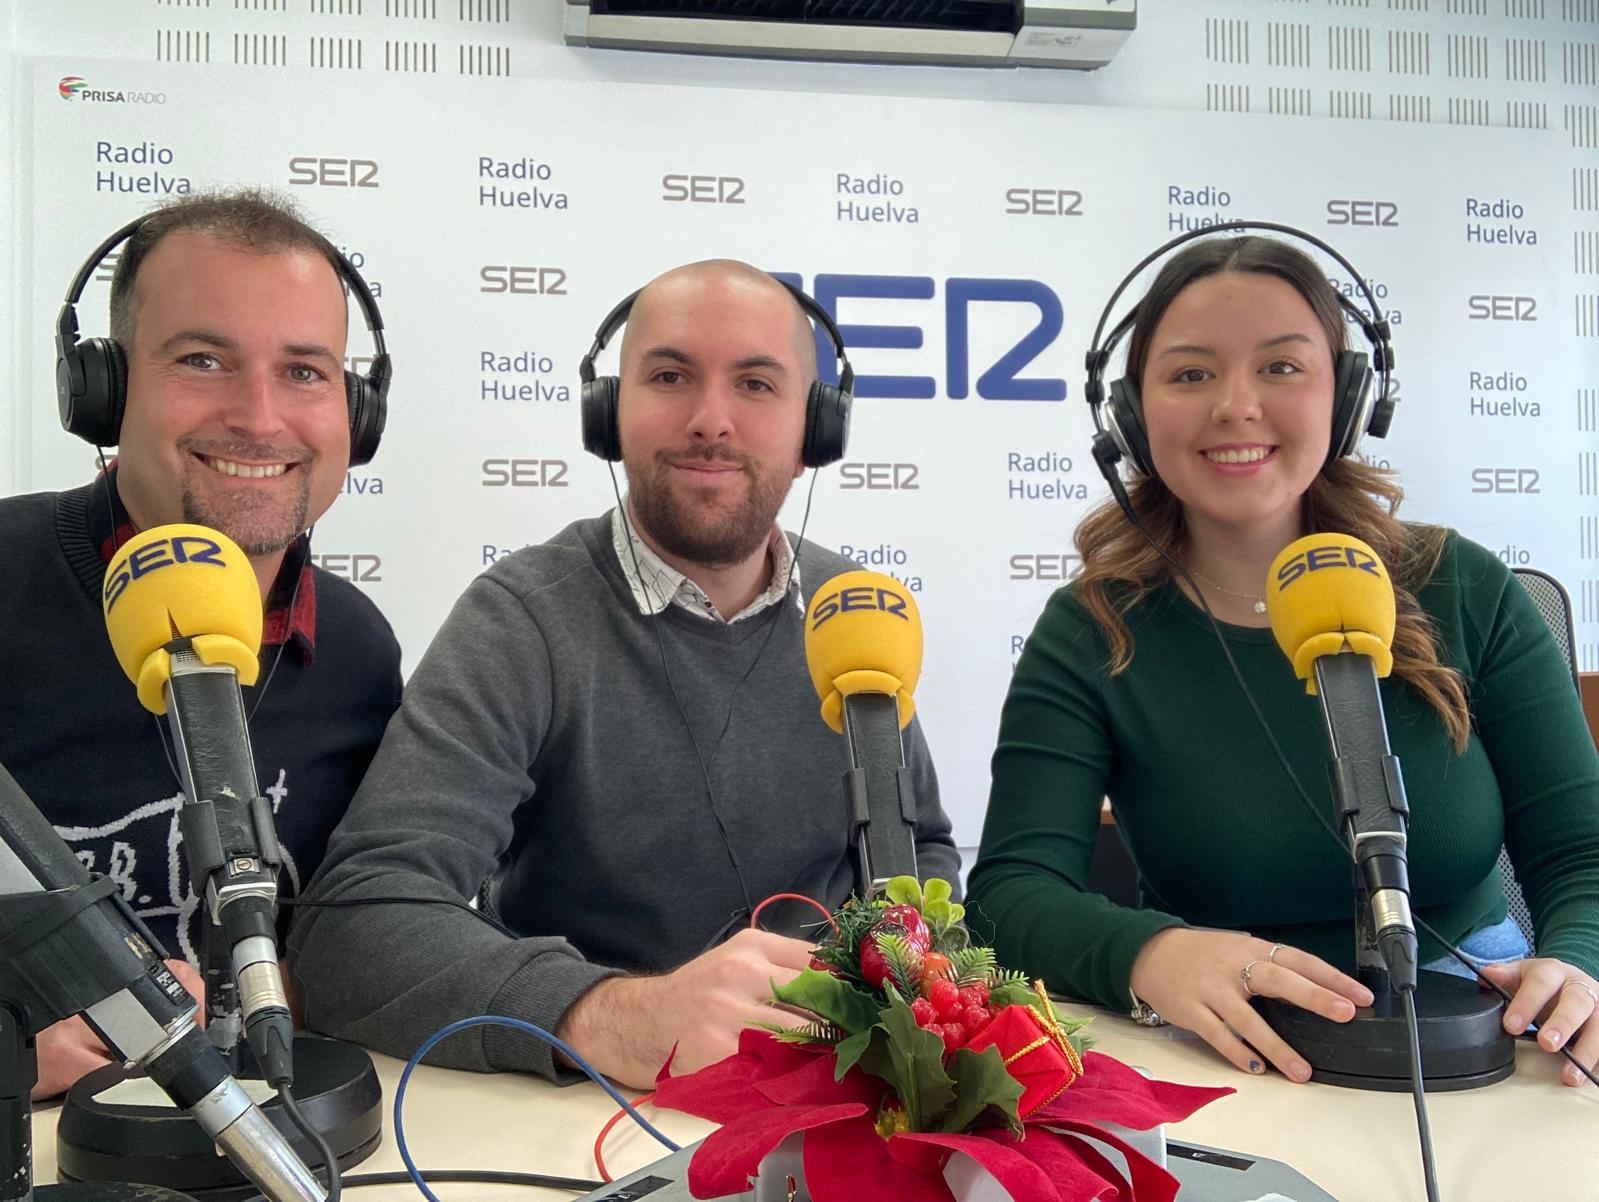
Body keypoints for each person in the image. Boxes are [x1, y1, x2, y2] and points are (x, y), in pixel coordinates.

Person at [288, 260, 960, 1090]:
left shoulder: (852, 612)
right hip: (587, 1104)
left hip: (831, 1085)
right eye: (671, 375)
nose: (711, 420)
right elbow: (356, 924)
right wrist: (615, 1018)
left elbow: (919, 848)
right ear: (610, 412)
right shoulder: (523, 615)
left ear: (815, 427)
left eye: (756, 384)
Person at [967, 233, 1599, 1089]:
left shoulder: (1461, 586)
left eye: (1281, 368)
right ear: (1128, 415)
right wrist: (1148, 954)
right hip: (1219, 1047)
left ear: (1344, 399)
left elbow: (1581, 852)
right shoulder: (1091, 629)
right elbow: (1009, 892)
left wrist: (1579, 966)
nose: (1235, 406)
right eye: (1190, 374)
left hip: (1488, 1038)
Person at [0, 191, 403, 1099]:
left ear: (358, 412)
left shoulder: (359, 653)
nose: (259, 417)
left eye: (304, 371)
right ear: (102, 389)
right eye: (202, 359)